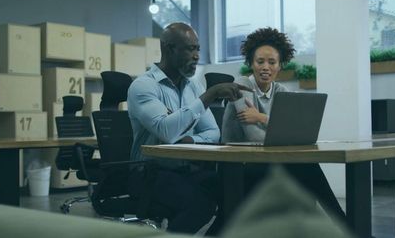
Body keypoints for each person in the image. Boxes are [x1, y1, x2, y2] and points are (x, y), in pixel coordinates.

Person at [127, 22, 251, 234]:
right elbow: (166, 131)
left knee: (237, 194)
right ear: (168, 48)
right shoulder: (143, 86)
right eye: (189, 48)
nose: (196, 55)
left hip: (185, 170)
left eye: (198, 49)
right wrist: (209, 96)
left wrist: (191, 140)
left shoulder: (193, 87)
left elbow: (213, 133)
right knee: (200, 205)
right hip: (148, 173)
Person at [222, 27, 346, 223]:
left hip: (268, 162)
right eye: (260, 61)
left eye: (272, 62)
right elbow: (255, 136)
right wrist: (279, 131)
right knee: (307, 169)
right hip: (240, 167)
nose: (265, 67)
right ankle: (344, 226)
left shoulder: (282, 91)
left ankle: (338, 226)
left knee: (307, 167)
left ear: (280, 66)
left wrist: (262, 118)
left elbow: (294, 132)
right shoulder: (242, 85)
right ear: (251, 63)